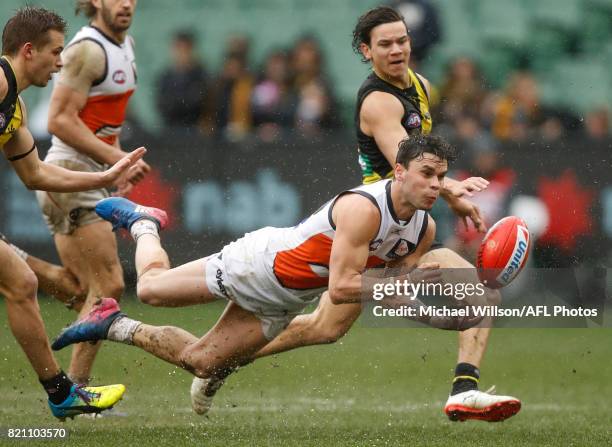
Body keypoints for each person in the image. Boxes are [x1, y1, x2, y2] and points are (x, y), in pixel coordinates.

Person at [189, 6, 520, 423]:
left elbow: (422, 163)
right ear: (367, 50)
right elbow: (406, 155)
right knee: (329, 326)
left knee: (328, 327)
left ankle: (463, 390)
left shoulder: (420, 85)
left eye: (402, 40)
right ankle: (220, 361)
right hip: (374, 225)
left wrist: (445, 190)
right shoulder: (379, 101)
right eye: (385, 43)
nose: (397, 49)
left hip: (406, 226)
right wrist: (451, 187)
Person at [52, 136, 496, 417]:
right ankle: (144, 222)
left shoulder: (426, 227)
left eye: (441, 177)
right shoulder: (364, 209)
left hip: (287, 301)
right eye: (426, 174)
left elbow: (390, 293)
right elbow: (343, 289)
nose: (436, 186)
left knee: (202, 361)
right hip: (259, 266)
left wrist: (434, 316)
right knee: (149, 288)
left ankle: (113, 324)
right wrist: (409, 286)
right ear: (399, 171)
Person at [0, 6, 146, 419]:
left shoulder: (16, 108)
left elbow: (35, 173)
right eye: (55, 53)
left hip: (79, 173)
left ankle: (62, 393)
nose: (61, 62)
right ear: (29, 51)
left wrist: (110, 171)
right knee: (31, 283)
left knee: (23, 283)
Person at [35, 0, 150, 386]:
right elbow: (59, 120)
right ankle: (76, 390)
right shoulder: (87, 50)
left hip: (83, 175)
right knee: (110, 285)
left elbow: (100, 121)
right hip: (69, 173)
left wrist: (113, 169)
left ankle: (10, 261)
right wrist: (119, 160)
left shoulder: (125, 45)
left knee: (83, 289)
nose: (126, 4)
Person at [156, 29, 208, 128]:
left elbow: (197, 103)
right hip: (170, 128)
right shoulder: (165, 76)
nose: (182, 53)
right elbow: (162, 105)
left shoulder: (201, 75)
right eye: (178, 48)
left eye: (185, 49)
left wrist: (176, 103)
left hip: (194, 129)